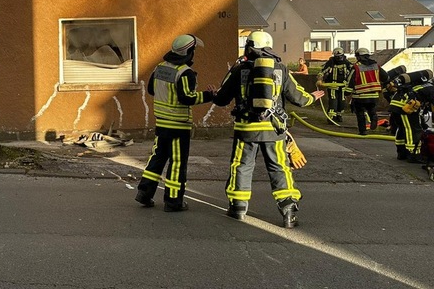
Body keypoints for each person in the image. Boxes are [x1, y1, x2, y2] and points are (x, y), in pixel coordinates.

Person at [213, 31, 324, 228]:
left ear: (249, 46)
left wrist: (216, 93)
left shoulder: (239, 69)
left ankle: (237, 208)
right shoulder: (280, 69)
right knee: (279, 168)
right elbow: (298, 98)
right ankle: (288, 210)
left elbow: (221, 99)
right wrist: (313, 97)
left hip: (245, 129)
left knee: (241, 166)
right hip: (274, 130)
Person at [135, 34, 216, 212]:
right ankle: (173, 201)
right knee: (177, 163)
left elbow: (151, 89)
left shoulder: (160, 68)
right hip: (178, 126)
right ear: (189, 52)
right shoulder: (185, 72)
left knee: (157, 158)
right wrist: (209, 95)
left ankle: (144, 193)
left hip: (162, 124)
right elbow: (187, 97)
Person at [345, 48, 389, 135]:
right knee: (372, 110)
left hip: (360, 96)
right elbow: (386, 77)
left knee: (360, 114)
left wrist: (347, 92)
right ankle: (374, 118)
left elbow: (351, 80)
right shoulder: (376, 66)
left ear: (358, 57)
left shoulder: (356, 67)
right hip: (374, 95)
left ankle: (363, 131)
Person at [317, 48, 351, 123]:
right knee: (333, 101)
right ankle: (331, 117)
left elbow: (352, 72)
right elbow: (322, 71)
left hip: (343, 86)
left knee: (342, 101)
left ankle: (339, 115)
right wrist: (320, 79)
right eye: (337, 57)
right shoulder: (330, 63)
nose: (339, 59)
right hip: (332, 85)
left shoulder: (346, 63)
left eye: (340, 56)